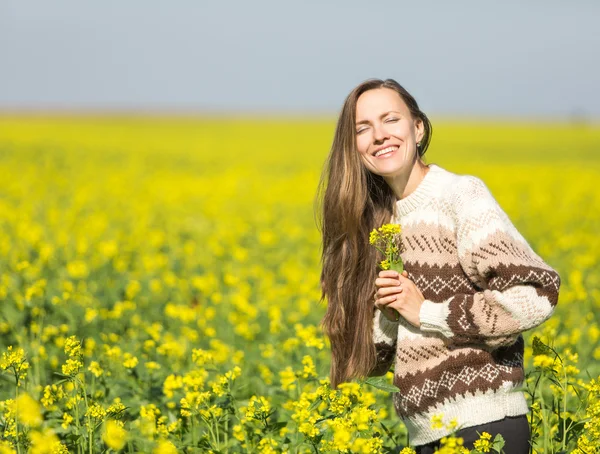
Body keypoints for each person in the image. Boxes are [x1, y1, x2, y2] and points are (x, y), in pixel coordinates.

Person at [317, 78, 561, 453]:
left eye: (390, 120)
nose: (379, 135)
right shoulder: (377, 224)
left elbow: (536, 293)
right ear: (353, 147)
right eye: (362, 128)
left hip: (484, 426)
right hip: (425, 435)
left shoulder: (459, 196)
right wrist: (387, 316)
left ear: (417, 128)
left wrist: (427, 311)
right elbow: (378, 360)